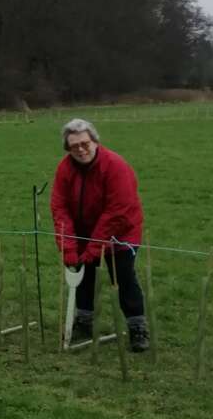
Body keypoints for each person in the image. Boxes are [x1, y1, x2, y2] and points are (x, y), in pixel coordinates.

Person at [50, 117, 149, 351]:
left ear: (95, 141)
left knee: (123, 277)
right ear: (68, 148)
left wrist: (95, 247)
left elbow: (118, 211)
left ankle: (137, 327)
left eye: (85, 143)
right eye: (74, 146)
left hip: (121, 232)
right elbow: (60, 208)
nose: (81, 149)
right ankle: (84, 321)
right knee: (84, 276)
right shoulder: (65, 168)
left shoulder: (115, 166)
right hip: (84, 232)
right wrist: (70, 248)